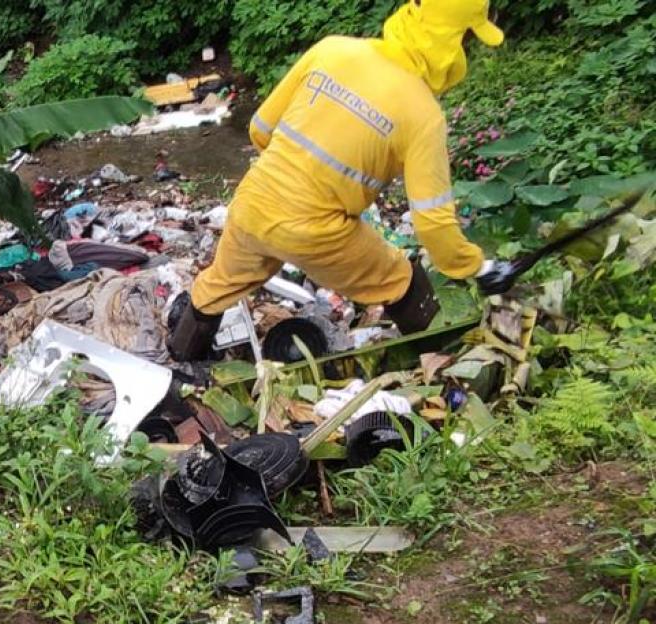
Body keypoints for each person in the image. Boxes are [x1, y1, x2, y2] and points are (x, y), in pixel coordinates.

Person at [171, 0, 513, 361]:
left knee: (216, 286)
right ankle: (443, 364)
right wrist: (478, 267)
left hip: (254, 203)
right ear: (455, 41)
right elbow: (433, 225)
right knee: (402, 281)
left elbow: (260, 129)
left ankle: (183, 363)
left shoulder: (333, 49)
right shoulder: (423, 114)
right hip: (319, 231)